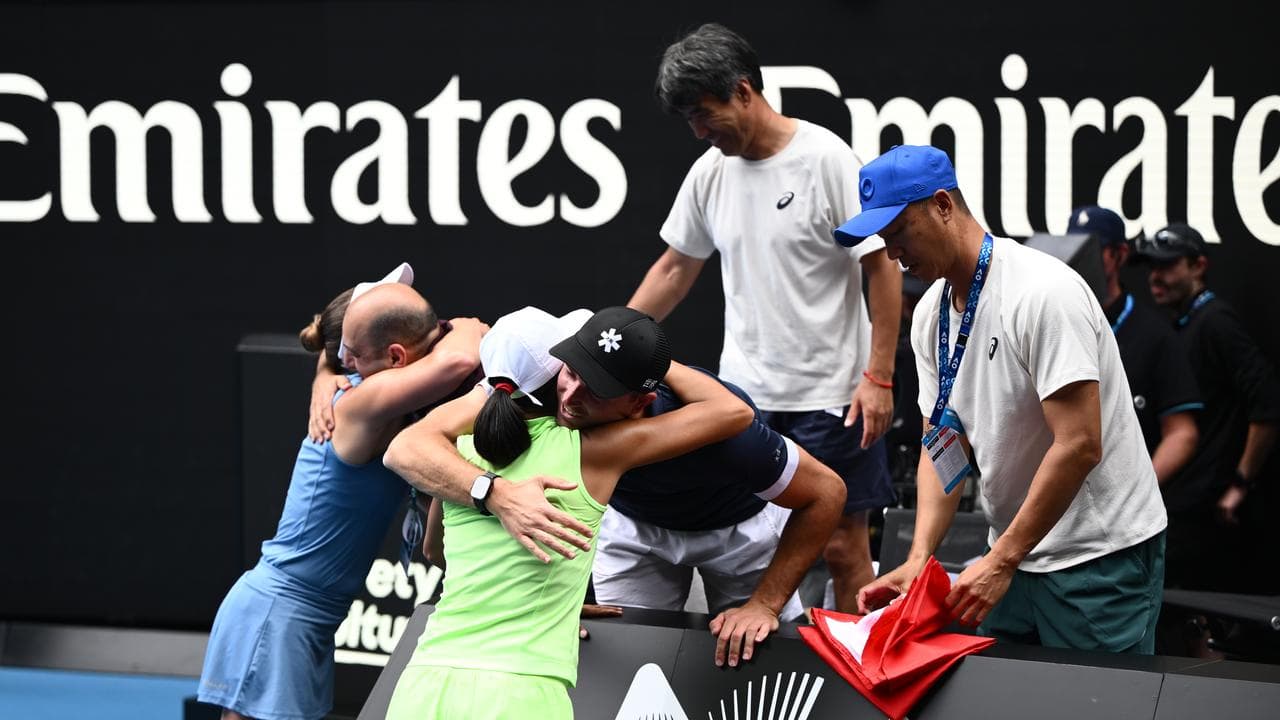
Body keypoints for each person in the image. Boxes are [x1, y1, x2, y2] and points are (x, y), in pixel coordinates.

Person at [389, 306, 847, 667]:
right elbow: (407, 447)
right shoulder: (542, 387)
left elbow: (826, 492)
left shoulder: (720, 428)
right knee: (621, 657)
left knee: (755, 652)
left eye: (598, 390)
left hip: (734, 529)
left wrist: (766, 604)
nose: (569, 399)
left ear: (640, 401)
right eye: (571, 373)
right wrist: (497, 494)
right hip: (633, 528)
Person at [846, 145, 1168, 654]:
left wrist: (1002, 559)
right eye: (884, 240)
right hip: (1015, 555)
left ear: (943, 205)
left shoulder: (1042, 292)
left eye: (899, 232)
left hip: (1098, 557)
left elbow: (1081, 444)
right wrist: (920, 556)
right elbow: (943, 442)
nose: (892, 254)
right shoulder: (930, 315)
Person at [628, 22, 900, 611]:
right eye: (689, 122)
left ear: (744, 91)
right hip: (744, 398)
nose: (700, 132)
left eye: (705, 114)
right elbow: (676, 269)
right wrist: (609, 339)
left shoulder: (826, 158)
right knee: (750, 545)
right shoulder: (709, 171)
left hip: (833, 397)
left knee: (842, 547)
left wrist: (878, 376)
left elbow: (881, 266)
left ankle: (856, 688)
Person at [197, 270, 486, 720]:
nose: (352, 362)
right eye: (347, 353)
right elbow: (459, 358)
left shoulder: (385, 403)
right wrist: (459, 325)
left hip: (305, 616)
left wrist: (325, 368)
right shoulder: (356, 403)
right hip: (280, 609)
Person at [1135, 223, 1280, 594]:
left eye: (1167, 266)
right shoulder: (1181, 325)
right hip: (1183, 503)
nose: (1156, 277)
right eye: (1152, 267)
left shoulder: (1215, 322)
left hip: (1208, 512)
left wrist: (1240, 484)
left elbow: (1268, 405)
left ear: (1198, 265)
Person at [1067, 206, 1202, 483]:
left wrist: (1138, 494)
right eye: (1074, 247)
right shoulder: (1056, 321)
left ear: (1120, 255)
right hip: (1062, 502)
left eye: (1092, 248)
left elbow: (1182, 433)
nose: (1080, 258)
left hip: (1126, 510)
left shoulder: (1154, 335)